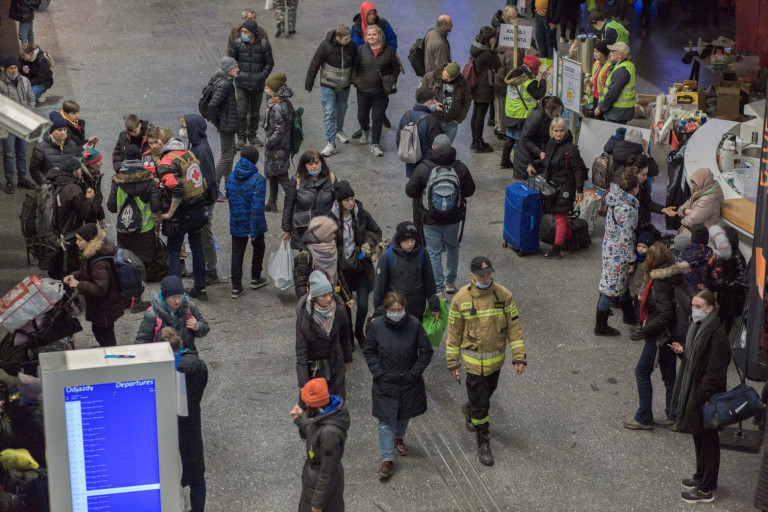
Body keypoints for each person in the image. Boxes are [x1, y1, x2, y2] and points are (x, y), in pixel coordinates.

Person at [446, 256, 526, 466]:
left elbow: (514, 328)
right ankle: (483, 440)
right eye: (481, 275)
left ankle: (470, 409)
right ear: (472, 276)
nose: (486, 277)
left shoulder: (503, 295)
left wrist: (519, 357)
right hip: (474, 366)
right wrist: (452, 362)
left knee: (485, 395)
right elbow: (454, 335)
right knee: (482, 406)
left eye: (488, 273)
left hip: (495, 364)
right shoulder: (460, 299)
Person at [364, 291, 433, 479]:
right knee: (385, 421)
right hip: (385, 382)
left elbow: (426, 351)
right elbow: (369, 351)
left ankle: (399, 436)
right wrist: (379, 372)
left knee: (404, 414)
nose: (396, 312)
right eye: (393, 310)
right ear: (386, 310)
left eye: (399, 309)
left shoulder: (414, 325)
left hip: (408, 381)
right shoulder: (376, 326)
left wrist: (413, 373)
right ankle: (387, 459)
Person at [670, 290, 729, 504]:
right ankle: (700, 477)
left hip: (704, 396)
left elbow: (714, 373)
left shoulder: (716, 334)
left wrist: (699, 395)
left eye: (698, 306)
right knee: (699, 438)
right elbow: (696, 359)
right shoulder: (699, 328)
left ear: (710, 309)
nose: (694, 310)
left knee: (708, 441)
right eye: (693, 305)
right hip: (697, 392)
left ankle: (706, 489)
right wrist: (683, 352)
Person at [623, 242, 688, 430]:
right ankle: (673, 415)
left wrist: (646, 329)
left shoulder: (659, 284)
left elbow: (664, 314)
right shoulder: (675, 276)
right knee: (669, 376)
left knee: (642, 372)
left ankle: (644, 416)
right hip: (672, 333)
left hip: (659, 336)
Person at [406, 134, 476, 295]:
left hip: (431, 218)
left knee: (433, 251)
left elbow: (410, 190)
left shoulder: (424, 168)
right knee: (452, 247)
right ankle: (450, 282)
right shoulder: (460, 167)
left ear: (433, 147)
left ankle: (437, 287)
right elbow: (470, 190)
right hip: (454, 218)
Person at [106, 144, 166, 299]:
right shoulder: (148, 180)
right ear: (140, 158)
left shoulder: (117, 181)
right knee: (145, 258)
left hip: (124, 229)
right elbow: (155, 206)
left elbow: (111, 207)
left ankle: (131, 289)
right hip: (145, 228)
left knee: (127, 258)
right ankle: (142, 288)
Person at [328, 180, 382, 348]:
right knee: (347, 305)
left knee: (364, 304)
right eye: (347, 200)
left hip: (361, 266)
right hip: (342, 269)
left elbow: (377, 231)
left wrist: (367, 245)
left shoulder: (361, 213)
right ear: (339, 202)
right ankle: (349, 335)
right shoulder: (330, 217)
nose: (351, 203)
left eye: (352, 198)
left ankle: (360, 331)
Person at [161, 327, 208, 512]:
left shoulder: (161, 371)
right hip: (191, 429)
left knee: (171, 478)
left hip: (168, 431)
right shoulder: (198, 365)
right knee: (197, 478)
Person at [526, 117, 587, 258]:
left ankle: (557, 249)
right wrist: (533, 164)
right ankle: (568, 242)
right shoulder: (551, 144)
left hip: (565, 188)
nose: (558, 134)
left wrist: (579, 190)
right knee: (561, 217)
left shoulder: (571, 149)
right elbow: (546, 161)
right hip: (553, 187)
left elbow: (578, 170)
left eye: (561, 131)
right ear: (551, 131)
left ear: (565, 131)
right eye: (555, 131)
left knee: (560, 217)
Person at [157, 138, 209, 301]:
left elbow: (177, 189)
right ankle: (200, 288)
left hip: (181, 214)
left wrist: (169, 214)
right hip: (198, 209)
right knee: (197, 249)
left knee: (173, 252)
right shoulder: (191, 156)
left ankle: (176, 293)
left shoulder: (166, 161)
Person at [290, 378, 350, 512]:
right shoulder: (325, 415)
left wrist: (317, 504)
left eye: (307, 404)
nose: (305, 407)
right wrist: (300, 418)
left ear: (315, 405)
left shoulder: (329, 434)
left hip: (322, 488)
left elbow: (328, 471)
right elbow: (314, 432)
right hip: (314, 482)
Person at [62, 224, 124, 347]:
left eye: (80, 239)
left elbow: (100, 288)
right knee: (99, 331)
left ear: (90, 241)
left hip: (104, 308)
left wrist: (78, 284)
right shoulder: (95, 253)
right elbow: (88, 271)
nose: (77, 242)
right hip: (102, 307)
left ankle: (112, 359)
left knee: (106, 336)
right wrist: (75, 275)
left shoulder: (99, 263)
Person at [594, 169, 639, 336]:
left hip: (609, 248)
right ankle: (600, 326)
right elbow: (626, 238)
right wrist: (632, 259)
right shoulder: (627, 209)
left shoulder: (614, 199)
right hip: (619, 254)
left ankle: (628, 316)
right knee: (609, 289)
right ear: (634, 188)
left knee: (621, 283)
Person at [295, 271, 352, 401]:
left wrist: (347, 359)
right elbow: (301, 350)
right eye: (324, 296)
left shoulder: (338, 309)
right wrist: (303, 383)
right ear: (315, 297)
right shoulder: (305, 316)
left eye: (330, 294)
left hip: (335, 362)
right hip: (316, 369)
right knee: (316, 408)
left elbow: (344, 336)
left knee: (336, 406)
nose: (328, 298)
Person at [305, 24, 357, 158]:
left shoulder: (351, 46)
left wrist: (353, 79)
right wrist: (309, 84)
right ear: (338, 38)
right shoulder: (326, 46)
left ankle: (339, 130)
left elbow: (356, 63)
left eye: (349, 37)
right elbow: (315, 64)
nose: (349, 40)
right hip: (328, 84)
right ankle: (330, 143)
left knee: (342, 108)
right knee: (329, 112)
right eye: (346, 39)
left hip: (344, 85)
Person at [45, 155, 100, 280]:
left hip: (52, 236)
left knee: (55, 269)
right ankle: (68, 296)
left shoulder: (52, 182)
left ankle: (58, 295)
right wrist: (89, 199)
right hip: (68, 239)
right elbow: (85, 213)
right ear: (74, 171)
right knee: (69, 271)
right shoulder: (73, 189)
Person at [373, 221, 441, 321]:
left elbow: (429, 281)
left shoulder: (422, 253)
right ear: (399, 240)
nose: (410, 244)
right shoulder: (387, 256)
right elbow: (379, 287)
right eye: (406, 240)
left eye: (413, 240)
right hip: (395, 312)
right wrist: (378, 313)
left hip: (417, 312)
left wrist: (434, 305)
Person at [181, 114, 220, 284]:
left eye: (184, 126)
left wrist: (204, 201)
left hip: (204, 201)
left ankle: (211, 270)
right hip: (203, 199)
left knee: (205, 235)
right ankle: (205, 268)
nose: (183, 129)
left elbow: (209, 179)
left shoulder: (201, 150)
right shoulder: (197, 145)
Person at [225, 146, 268, 298]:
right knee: (259, 247)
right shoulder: (258, 180)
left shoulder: (230, 176)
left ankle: (236, 286)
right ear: (256, 161)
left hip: (236, 220)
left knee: (237, 253)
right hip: (253, 222)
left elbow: (228, 195)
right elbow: (257, 207)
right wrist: (254, 230)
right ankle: (255, 278)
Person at [353, 24, 399, 157]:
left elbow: (395, 67)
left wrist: (392, 80)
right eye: (369, 35)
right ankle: (365, 129)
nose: (371, 37)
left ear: (380, 36)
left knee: (377, 117)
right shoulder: (361, 49)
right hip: (363, 90)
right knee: (362, 115)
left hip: (381, 92)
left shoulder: (388, 51)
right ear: (366, 37)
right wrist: (355, 81)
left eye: (374, 34)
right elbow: (354, 67)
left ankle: (375, 144)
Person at [229, 19, 274, 149]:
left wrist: (262, 76)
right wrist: (238, 75)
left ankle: (252, 136)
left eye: (245, 31)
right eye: (242, 31)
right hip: (241, 84)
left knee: (254, 112)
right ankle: (241, 138)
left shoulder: (264, 45)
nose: (242, 33)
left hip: (257, 84)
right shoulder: (237, 44)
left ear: (253, 33)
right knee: (241, 111)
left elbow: (269, 63)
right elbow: (232, 62)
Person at [135, 275, 210, 350]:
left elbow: (205, 329)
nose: (177, 301)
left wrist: (197, 327)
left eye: (179, 296)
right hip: (163, 357)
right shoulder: (152, 315)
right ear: (164, 297)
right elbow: (141, 342)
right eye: (173, 297)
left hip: (187, 354)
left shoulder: (189, 307)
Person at [293, 216, 353, 306]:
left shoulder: (333, 250)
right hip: (315, 302)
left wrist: (347, 297)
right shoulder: (306, 256)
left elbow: (338, 274)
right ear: (322, 235)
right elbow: (301, 285)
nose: (334, 235)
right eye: (330, 233)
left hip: (331, 298)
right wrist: (308, 305)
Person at [501, 55, 548, 169]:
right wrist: (543, 79)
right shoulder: (528, 81)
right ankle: (521, 164)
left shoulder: (515, 73)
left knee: (510, 136)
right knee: (524, 139)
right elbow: (539, 95)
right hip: (522, 114)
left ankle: (504, 161)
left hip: (511, 111)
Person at [281, 149, 336, 244]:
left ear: (321, 163)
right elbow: (288, 206)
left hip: (326, 229)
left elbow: (337, 202)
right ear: (304, 165)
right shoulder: (297, 179)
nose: (314, 166)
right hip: (303, 230)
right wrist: (286, 229)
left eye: (317, 163)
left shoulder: (330, 178)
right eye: (310, 164)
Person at [0, 56, 35, 194]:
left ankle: (22, 178)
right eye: (10, 68)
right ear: (6, 69)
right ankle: (9, 180)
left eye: (15, 67)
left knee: (22, 152)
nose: (13, 70)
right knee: (9, 154)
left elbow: (31, 99)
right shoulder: (1, 84)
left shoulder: (25, 81)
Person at [209, 57, 240, 202]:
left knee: (231, 152)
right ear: (228, 69)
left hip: (228, 124)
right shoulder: (225, 84)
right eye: (235, 67)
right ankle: (214, 188)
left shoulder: (223, 80)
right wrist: (218, 122)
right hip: (226, 125)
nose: (237, 69)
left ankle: (229, 184)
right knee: (226, 156)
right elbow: (213, 105)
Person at [416, 62, 471, 144]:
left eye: (452, 78)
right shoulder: (429, 78)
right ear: (444, 69)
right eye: (447, 77)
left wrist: (459, 119)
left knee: (446, 149)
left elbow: (467, 100)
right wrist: (433, 107)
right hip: (433, 121)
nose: (449, 80)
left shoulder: (462, 82)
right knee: (431, 148)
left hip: (451, 123)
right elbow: (419, 97)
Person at [29, 111, 89, 185]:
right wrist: (45, 183)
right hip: (52, 188)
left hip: (70, 187)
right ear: (52, 131)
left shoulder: (71, 144)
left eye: (65, 129)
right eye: (59, 130)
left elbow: (77, 157)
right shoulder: (40, 148)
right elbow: (34, 169)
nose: (63, 132)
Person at [512, 95, 563, 181]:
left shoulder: (548, 117)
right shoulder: (536, 117)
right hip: (526, 158)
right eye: (557, 111)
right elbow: (525, 139)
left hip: (533, 155)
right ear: (551, 109)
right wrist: (539, 152)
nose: (558, 113)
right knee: (528, 185)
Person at [263, 72, 295, 209]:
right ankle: (272, 202)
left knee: (281, 176)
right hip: (283, 147)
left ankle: (297, 202)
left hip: (277, 148)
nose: (265, 90)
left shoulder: (276, 107)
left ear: (275, 90)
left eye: (268, 88)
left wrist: (269, 142)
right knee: (272, 174)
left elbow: (280, 129)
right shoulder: (285, 102)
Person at [468, 26, 501, 153]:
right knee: (480, 114)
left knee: (476, 113)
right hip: (484, 86)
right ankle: (478, 142)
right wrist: (493, 50)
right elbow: (498, 64)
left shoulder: (476, 47)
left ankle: (475, 140)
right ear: (490, 39)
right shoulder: (487, 53)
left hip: (475, 84)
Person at [396, 89, 444, 175]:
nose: (435, 101)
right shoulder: (432, 120)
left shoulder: (406, 115)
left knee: (414, 185)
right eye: (432, 99)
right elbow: (437, 146)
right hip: (427, 165)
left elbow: (399, 138)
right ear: (425, 101)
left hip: (410, 161)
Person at [595, 42, 636, 125]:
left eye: (613, 52)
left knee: (611, 136)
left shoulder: (621, 71)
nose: (611, 54)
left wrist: (601, 108)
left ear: (620, 55)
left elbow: (613, 93)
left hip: (616, 113)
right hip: (620, 112)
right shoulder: (624, 66)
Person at [716, 225, 746, 333]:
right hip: (724, 292)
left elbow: (742, 279)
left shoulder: (737, 256)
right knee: (720, 316)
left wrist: (728, 284)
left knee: (728, 319)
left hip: (732, 295)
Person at [676, 168, 724, 234]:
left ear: (704, 182)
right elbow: (680, 210)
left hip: (696, 238)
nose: (693, 186)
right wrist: (686, 211)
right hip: (690, 235)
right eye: (692, 183)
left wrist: (684, 215)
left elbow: (691, 222)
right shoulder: (700, 193)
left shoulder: (709, 199)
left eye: (696, 183)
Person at [628, 230, 654, 330]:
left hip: (641, 291)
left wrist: (642, 292)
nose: (641, 249)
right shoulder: (635, 258)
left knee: (640, 309)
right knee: (636, 308)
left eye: (644, 247)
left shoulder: (648, 262)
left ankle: (640, 326)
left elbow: (647, 279)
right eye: (639, 246)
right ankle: (637, 322)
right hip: (635, 288)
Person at [78, 148, 106, 228]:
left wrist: (100, 215)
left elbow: (96, 197)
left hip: (92, 215)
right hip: (85, 221)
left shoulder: (95, 175)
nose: (102, 163)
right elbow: (83, 206)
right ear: (91, 164)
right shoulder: (82, 180)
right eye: (99, 161)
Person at [589, 43, 611, 114]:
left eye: (597, 52)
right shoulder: (596, 63)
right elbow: (594, 77)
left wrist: (600, 106)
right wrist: (588, 80)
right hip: (595, 97)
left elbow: (606, 87)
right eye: (594, 51)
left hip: (602, 101)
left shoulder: (608, 67)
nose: (594, 54)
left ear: (603, 54)